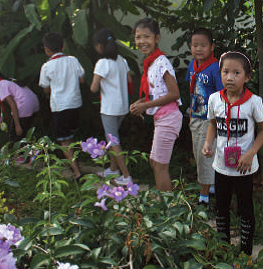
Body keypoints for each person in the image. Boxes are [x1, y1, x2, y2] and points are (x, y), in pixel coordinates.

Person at [202, 51, 263, 257]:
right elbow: (213, 124)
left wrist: (251, 153)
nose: (230, 77)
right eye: (225, 72)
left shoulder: (254, 102)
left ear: (247, 77)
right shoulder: (214, 99)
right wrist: (207, 142)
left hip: (244, 168)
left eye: (236, 72)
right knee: (221, 208)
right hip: (221, 166)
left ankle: (245, 254)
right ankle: (223, 249)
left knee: (245, 210)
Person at [129, 18, 182, 192]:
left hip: (169, 117)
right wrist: (141, 102)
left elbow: (174, 94)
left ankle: (167, 210)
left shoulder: (161, 62)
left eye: (147, 36)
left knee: (159, 165)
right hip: (161, 118)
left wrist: (145, 106)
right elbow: (156, 93)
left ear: (157, 38)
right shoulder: (151, 64)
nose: (142, 41)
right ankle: (166, 205)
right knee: (154, 162)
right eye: (138, 37)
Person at [90, 28, 134, 186]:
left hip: (109, 109)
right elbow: (129, 79)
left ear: (99, 45)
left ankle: (126, 176)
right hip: (122, 107)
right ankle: (113, 169)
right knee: (112, 139)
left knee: (114, 142)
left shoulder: (102, 63)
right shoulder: (122, 60)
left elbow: (94, 88)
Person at [39, 32, 85, 181]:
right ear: (63, 46)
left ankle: (76, 172)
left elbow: (45, 88)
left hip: (60, 106)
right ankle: (76, 162)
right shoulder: (73, 60)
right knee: (72, 136)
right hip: (75, 103)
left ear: (46, 49)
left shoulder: (46, 66)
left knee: (65, 141)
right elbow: (82, 79)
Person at [185, 27, 223, 205]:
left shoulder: (215, 68)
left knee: (204, 156)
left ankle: (204, 196)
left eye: (203, 45)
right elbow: (190, 89)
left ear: (212, 46)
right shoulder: (192, 66)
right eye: (195, 45)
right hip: (195, 117)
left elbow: (222, 93)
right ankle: (213, 186)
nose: (198, 49)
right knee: (199, 153)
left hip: (209, 120)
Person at [0, 65, 40, 144]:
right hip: (33, 103)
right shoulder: (6, 81)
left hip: (24, 106)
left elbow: (12, 104)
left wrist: (17, 125)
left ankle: (23, 155)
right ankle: (31, 152)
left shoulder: (0, 85)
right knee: (25, 136)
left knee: (15, 140)